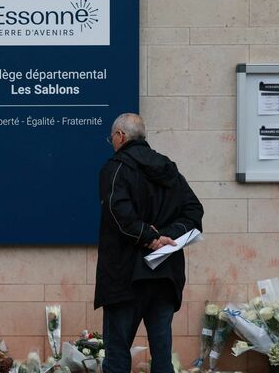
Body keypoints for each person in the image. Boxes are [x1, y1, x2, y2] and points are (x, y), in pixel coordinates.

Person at [95, 113, 204, 373]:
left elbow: (118, 214)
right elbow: (194, 212)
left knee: (117, 355)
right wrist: (168, 236)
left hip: (125, 276)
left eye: (112, 138)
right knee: (162, 356)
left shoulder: (116, 168)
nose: (112, 142)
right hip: (164, 276)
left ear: (120, 136)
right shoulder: (168, 169)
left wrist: (152, 238)